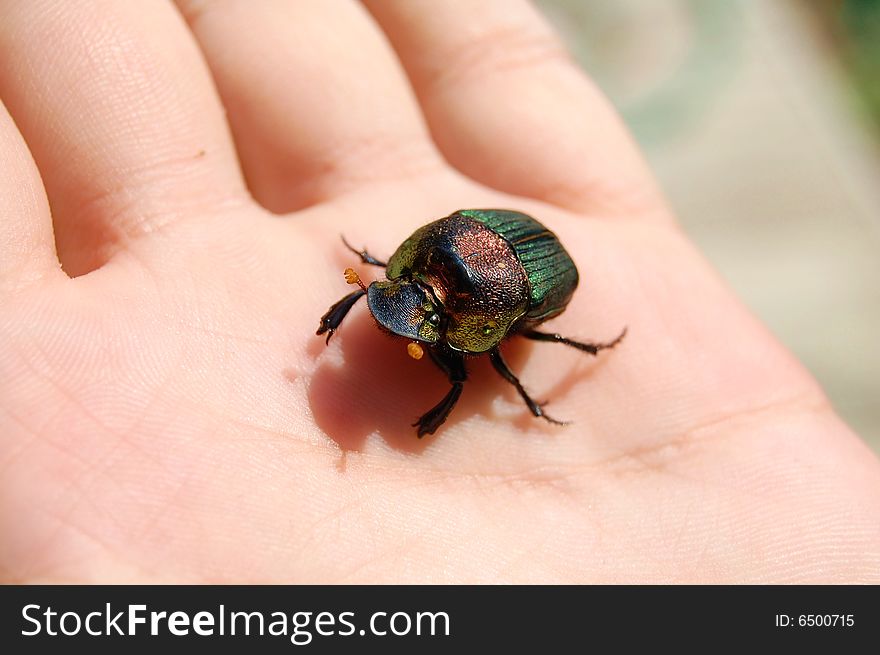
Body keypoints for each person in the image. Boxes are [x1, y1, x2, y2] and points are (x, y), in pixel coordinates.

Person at [1, 0, 877, 583]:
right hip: (467, 249)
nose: (400, 318)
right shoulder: (420, 262)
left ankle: (539, 375)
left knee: (484, 375)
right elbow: (405, 275)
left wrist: (489, 389)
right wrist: (352, 302)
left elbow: (470, 368)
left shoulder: (485, 326)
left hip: (528, 272)